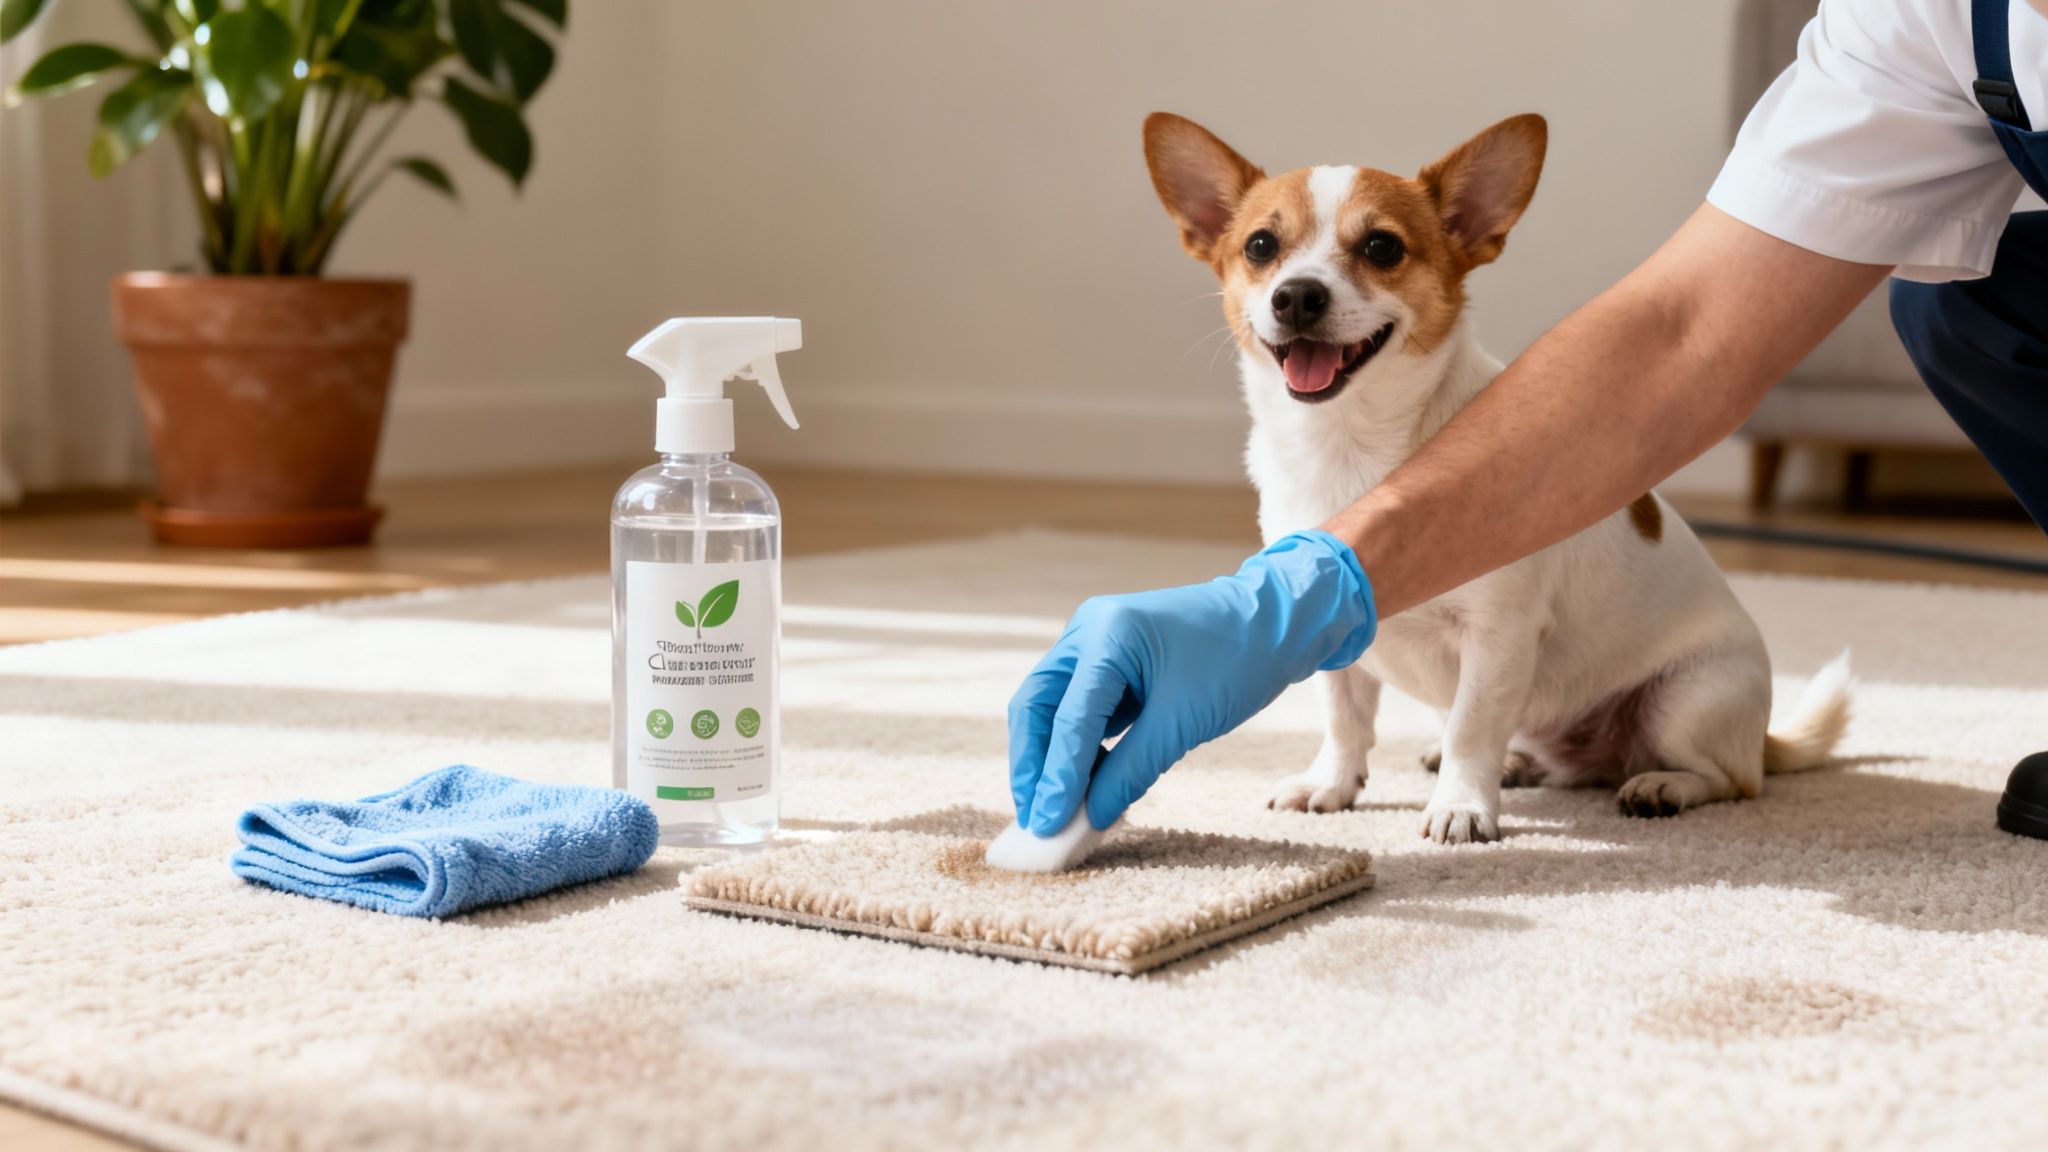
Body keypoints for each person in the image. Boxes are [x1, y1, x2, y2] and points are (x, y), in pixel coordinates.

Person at [1008, 0, 2048, 843]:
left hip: (1658, 675)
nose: (1302, 285)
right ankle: (1436, 747)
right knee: (1955, 306)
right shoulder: (1921, 16)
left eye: (1378, 252)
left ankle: (1677, 763)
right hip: (1547, 715)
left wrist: (1465, 762)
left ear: (1466, 234)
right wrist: (1287, 626)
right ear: (1214, 245)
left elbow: (1497, 624)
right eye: (1264, 252)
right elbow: (1686, 329)